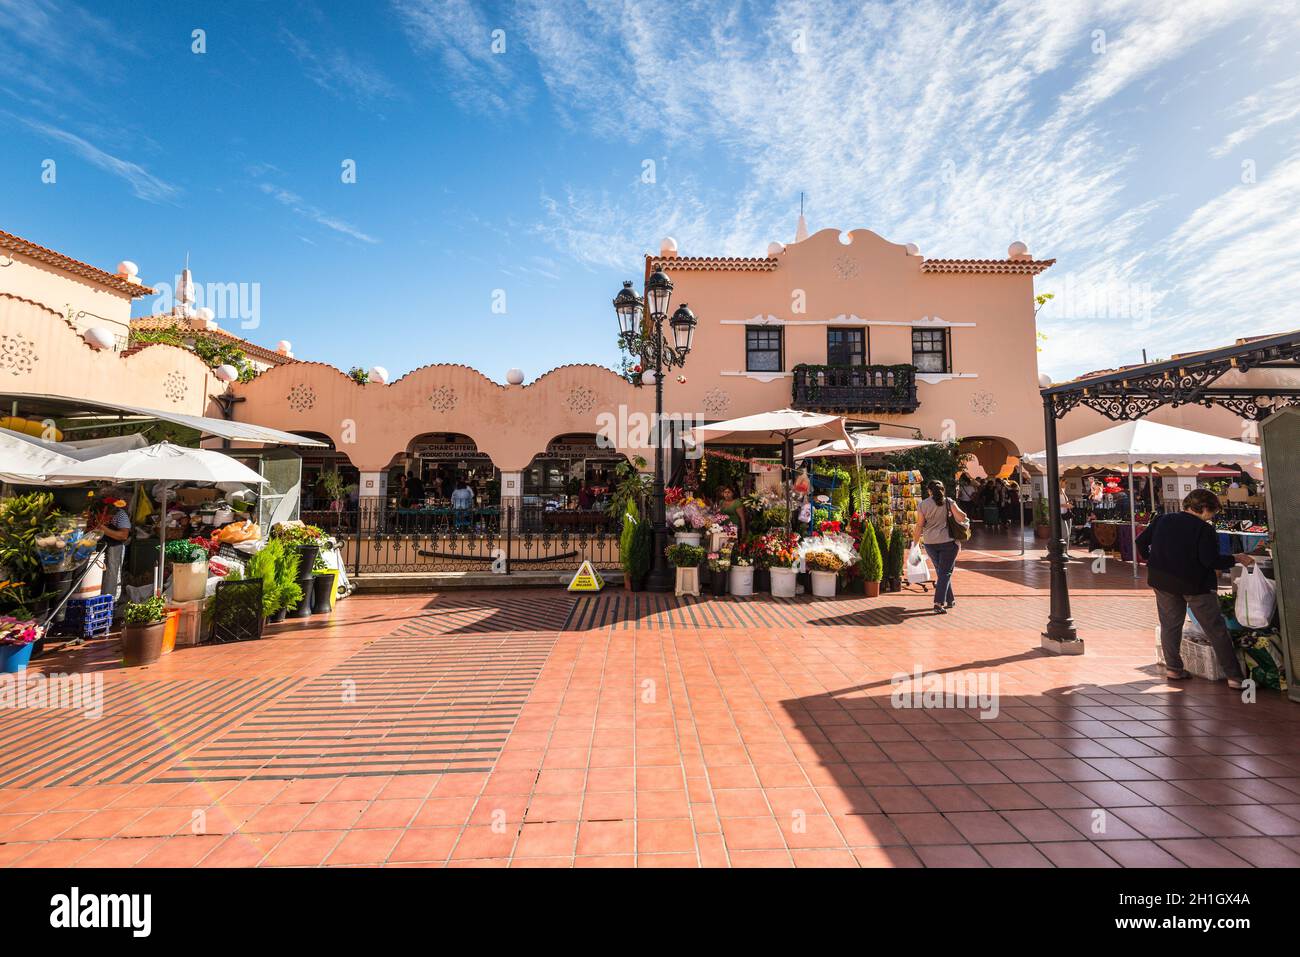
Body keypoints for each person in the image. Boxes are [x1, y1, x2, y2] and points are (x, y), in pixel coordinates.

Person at [1136, 489, 1252, 689]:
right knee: (1215, 629)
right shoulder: (1203, 529)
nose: (1212, 517)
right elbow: (1210, 560)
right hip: (1194, 584)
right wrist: (1236, 558)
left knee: (1170, 625)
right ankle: (1235, 677)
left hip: (1162, 580)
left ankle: (1173, 668)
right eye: (1212, 512)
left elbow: (1141, 541)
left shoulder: (1163, 519)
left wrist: (1153, 560)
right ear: (1204, 508)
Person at [913, 480, 968, 614]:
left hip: (930, 543)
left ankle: (950, 599)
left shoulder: (922, 504)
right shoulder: (948, 502)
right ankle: (938, 603)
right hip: (947, 542)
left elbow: (919, 525)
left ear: (929, 491)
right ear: (942, 490)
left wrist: (915, 543)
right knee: (945, 572)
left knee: (941, 571)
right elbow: (962, 517)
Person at [89, 489, 131, 622]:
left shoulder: (120, 514)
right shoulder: (95, 513)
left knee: (112, 578)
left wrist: (104, 529)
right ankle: (94, 611)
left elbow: (123, 535)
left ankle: (109, 611)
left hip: (114, 550)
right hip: (96, 549)